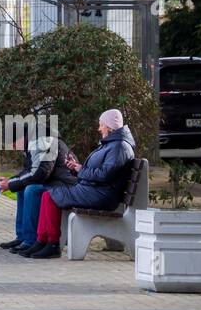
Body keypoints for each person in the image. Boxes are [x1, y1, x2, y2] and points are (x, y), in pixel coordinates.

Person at [23, 109, 136, 260]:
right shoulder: (112, 144)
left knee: (50, 196)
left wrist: (81, 170)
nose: (99, 128)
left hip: (102, 195)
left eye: (101, 125)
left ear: (109, 126)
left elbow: (104, 175)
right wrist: (76, 168)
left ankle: (52, 244)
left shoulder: (119, 147)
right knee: (47, 194)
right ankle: (42, 240)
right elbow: (100, 172)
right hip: (95, 190)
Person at [0, 119, 78, 253]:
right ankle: (22, 236)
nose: (13, 147)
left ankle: (30, 239)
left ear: (20, 137)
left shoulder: (43, 141)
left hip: (64, 184)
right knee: (22, 190)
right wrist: (10, 181)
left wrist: (11, 184)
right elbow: (29, 171)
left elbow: (39, 173)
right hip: (54, 181)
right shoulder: (33, 142)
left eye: (13, 143)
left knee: (31, 190)